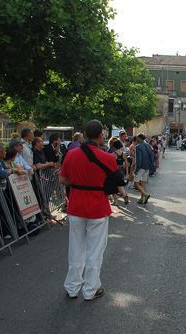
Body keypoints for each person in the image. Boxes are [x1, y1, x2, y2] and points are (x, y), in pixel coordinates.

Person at [59, 119, 125, 301]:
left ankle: (72, 287)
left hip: (76, 204)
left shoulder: (71, 155)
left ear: (85, 134)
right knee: (95, 250)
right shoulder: (107, 157)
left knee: (75, 248)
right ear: (101, 135)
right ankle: (90, 289)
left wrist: (79, 184)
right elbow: (118, 179)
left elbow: (62, 179)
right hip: (97, 206)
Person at [133, 133, 153, 205]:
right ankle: (142, 198)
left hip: (141, 167)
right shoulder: (148, 145)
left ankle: (145, 195)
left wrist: (136, 169)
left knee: (136, 183)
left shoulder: (138, 146)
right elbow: (151, 156)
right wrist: (151, 167)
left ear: (139, 138)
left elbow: (139, 159)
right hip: (147, 166)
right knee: (143, 182)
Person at [110, 140, 129, 205]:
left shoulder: (113, 154)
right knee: (119, 184)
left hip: (115, 170)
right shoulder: (124, 154)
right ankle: (124, 195)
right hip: (122, 170)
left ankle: (115, 200)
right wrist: (127, 173)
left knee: (113, 186)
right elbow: (126, 164)